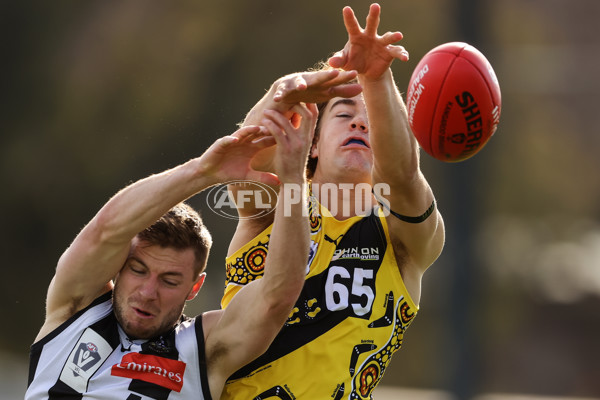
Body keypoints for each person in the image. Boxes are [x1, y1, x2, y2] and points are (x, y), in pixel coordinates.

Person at [220, 4, 445, 399]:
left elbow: (403, 175)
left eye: (372, 121)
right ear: (313, 146)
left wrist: (376, 79)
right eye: (343, 114)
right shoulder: (275, 207)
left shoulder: (403, 241)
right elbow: (243, 157)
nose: (360, 123)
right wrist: (293, 87)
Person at [25, 101, 319, 400]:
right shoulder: (77, 308)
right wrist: (204, 171)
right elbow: (106, 230)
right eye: (138, 271)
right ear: (119, 266)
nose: (148, 292)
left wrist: (294, 179)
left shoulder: (206, 349)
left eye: (169, 281)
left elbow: (278, 295)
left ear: (195, 287)